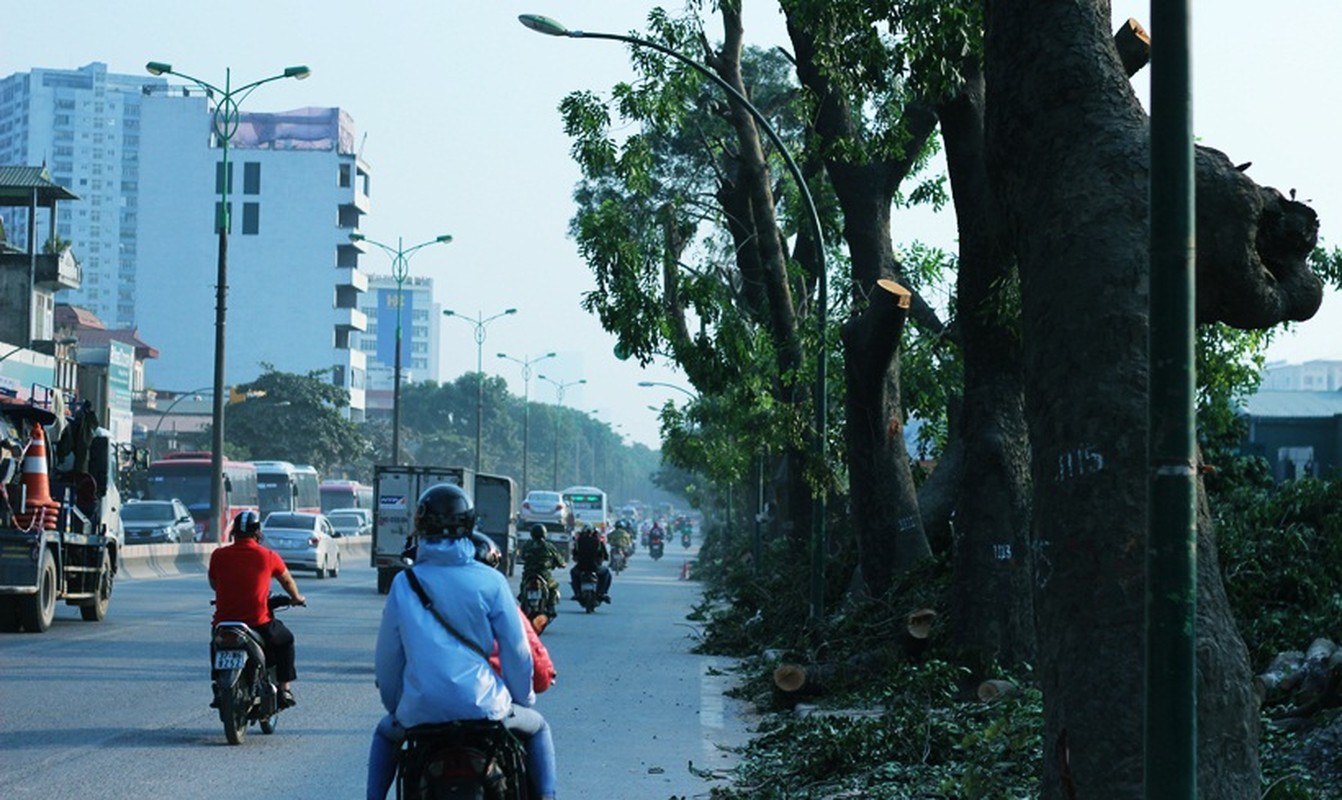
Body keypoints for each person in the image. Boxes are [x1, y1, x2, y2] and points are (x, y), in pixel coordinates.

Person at [367, 483, 557, 800]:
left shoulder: (404, 583)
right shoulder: (492, 581)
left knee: (385, 734)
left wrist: (398, 706)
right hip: (487, 709)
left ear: (420, 526)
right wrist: (521, 700)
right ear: (469, 526)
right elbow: (517, 651)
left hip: (420, 713)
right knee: (538, 728)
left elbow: (387, 660)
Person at [207, 509, 306, 708]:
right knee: (286, 640)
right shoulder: (268, 556)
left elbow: (214, 583)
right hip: (258, 623)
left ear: (234, 532)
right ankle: (285, 689)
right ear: (257, 533)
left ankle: (218, 685)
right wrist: (296, 598)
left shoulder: (218, 555)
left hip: (224, 623)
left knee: (216, 644)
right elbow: (287, 581)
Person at [519, 523, 566, 618]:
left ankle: (523, 605)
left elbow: (522, 556)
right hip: (544, 575)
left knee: (523, 586)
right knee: (554, 586)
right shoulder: (548, 546)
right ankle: (551, 607)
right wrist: (562, 564)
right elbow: (560, 560)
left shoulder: (528, 544)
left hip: (529, 574)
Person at [569, 523, 612, 603]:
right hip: (595, 567)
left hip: (581, 567)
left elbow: (574, 555)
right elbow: (605, 555)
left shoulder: (579, 542)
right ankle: (602, 593)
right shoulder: (598, 542)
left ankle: (577, 593)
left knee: (573, 573)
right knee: (606, 573)